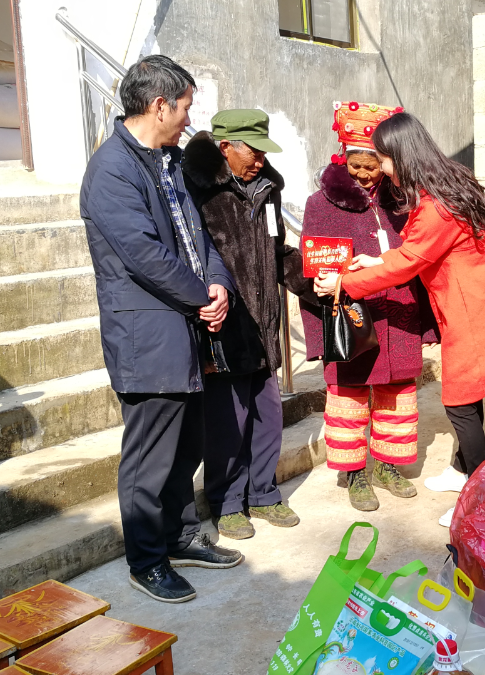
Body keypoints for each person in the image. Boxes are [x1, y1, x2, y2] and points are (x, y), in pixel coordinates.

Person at [80, 55, 243, 603]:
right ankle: (146, 560)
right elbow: (144, 255)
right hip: (147, 337)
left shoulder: (168, 161)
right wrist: (202, 298)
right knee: (149, 458)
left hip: (185, 328)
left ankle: (178, 538)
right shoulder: (111, 170)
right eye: (185, 108)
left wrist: (217, 284)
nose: (189, 119)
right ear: (159, 106)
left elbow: (200, 237)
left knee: (186, 447)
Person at [314, 112, 485, 528]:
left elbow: (408, 263)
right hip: (477, 304)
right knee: (469, 397)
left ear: (401, 156)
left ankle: (482, 500)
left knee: (459, 403)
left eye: (383, 159)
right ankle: (463, 470)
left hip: (470, 314)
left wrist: (344, 283)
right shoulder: (450, 182)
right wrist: (377, 260)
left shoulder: (436, 207)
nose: (381, 168)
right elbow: (416, 250)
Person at [183, 110, 318, 538]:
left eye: (263, 153)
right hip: (224, 326)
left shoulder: (266, 189)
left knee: (268, 418)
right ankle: (226, 502)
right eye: (253, 153)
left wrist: (314, 282)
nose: (260, 161)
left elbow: (278, 252)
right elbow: (191, 256)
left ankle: (262, 493)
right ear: (226, 147)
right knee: (228, 424)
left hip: (263, 324)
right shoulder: (197, 189)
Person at [300, 102, 440, 512]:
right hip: (351, 313)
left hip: (398, 309)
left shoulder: (404, 200)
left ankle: (387, 465)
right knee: (350, 390)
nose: (363, 174)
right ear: (342, 158)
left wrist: (427, 320)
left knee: (397, 390)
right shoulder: (320, 204)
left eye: (372, 165)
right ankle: (355, 471)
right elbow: (314, 264)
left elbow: (419, 258)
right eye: (356, 165)